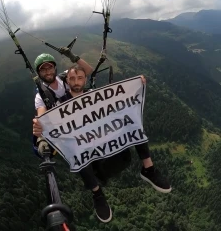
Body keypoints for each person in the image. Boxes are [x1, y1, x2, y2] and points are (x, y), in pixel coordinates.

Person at [32, 65, 172, 223]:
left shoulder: (94, 95)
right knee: (77, 153)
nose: (76, 82)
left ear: (85, 79)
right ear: (67, 81)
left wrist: (136, 84)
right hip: (88, 151)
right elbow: (48, 124)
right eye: (72, 78)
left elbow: (121, 101)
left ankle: (148, 168)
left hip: (106, 140)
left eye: (80, 78)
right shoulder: (60, 106)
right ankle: (97, 194)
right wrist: (40, 127)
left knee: (131, 120)